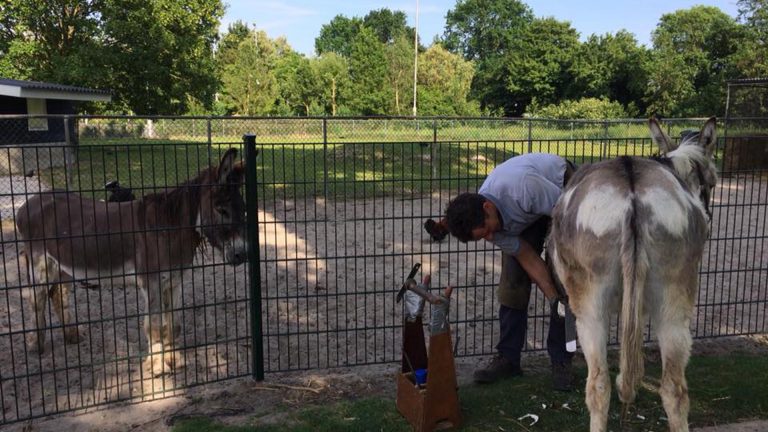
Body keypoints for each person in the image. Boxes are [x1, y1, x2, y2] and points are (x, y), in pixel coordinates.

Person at [443, 152, 575, 391]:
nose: (491, 238)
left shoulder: (524, 187)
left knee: (565, 279)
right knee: (512, 283)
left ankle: (562, 361)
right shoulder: (486, 223)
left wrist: (560, 292)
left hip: (561, 192)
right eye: (482, 238)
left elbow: (570, 216)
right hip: (525, 212)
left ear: (488, 207)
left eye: (486, 231)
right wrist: (552, 298)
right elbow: (526, 256)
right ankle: (508, 359)